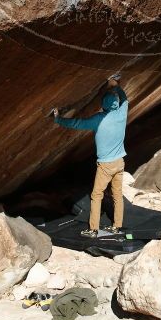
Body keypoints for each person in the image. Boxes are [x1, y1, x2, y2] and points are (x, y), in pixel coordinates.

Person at [52, 74, 128, 238]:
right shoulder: (122, 114)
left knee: (96, 195)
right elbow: (125, 99)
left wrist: (58, 119)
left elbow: (76, 123)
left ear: (103, 105)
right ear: (116, 104)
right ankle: (117, 226)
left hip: (105, 165)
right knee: (117, 195)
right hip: (120, 162)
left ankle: (93, 230)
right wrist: (115, 85)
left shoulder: (97, 120)